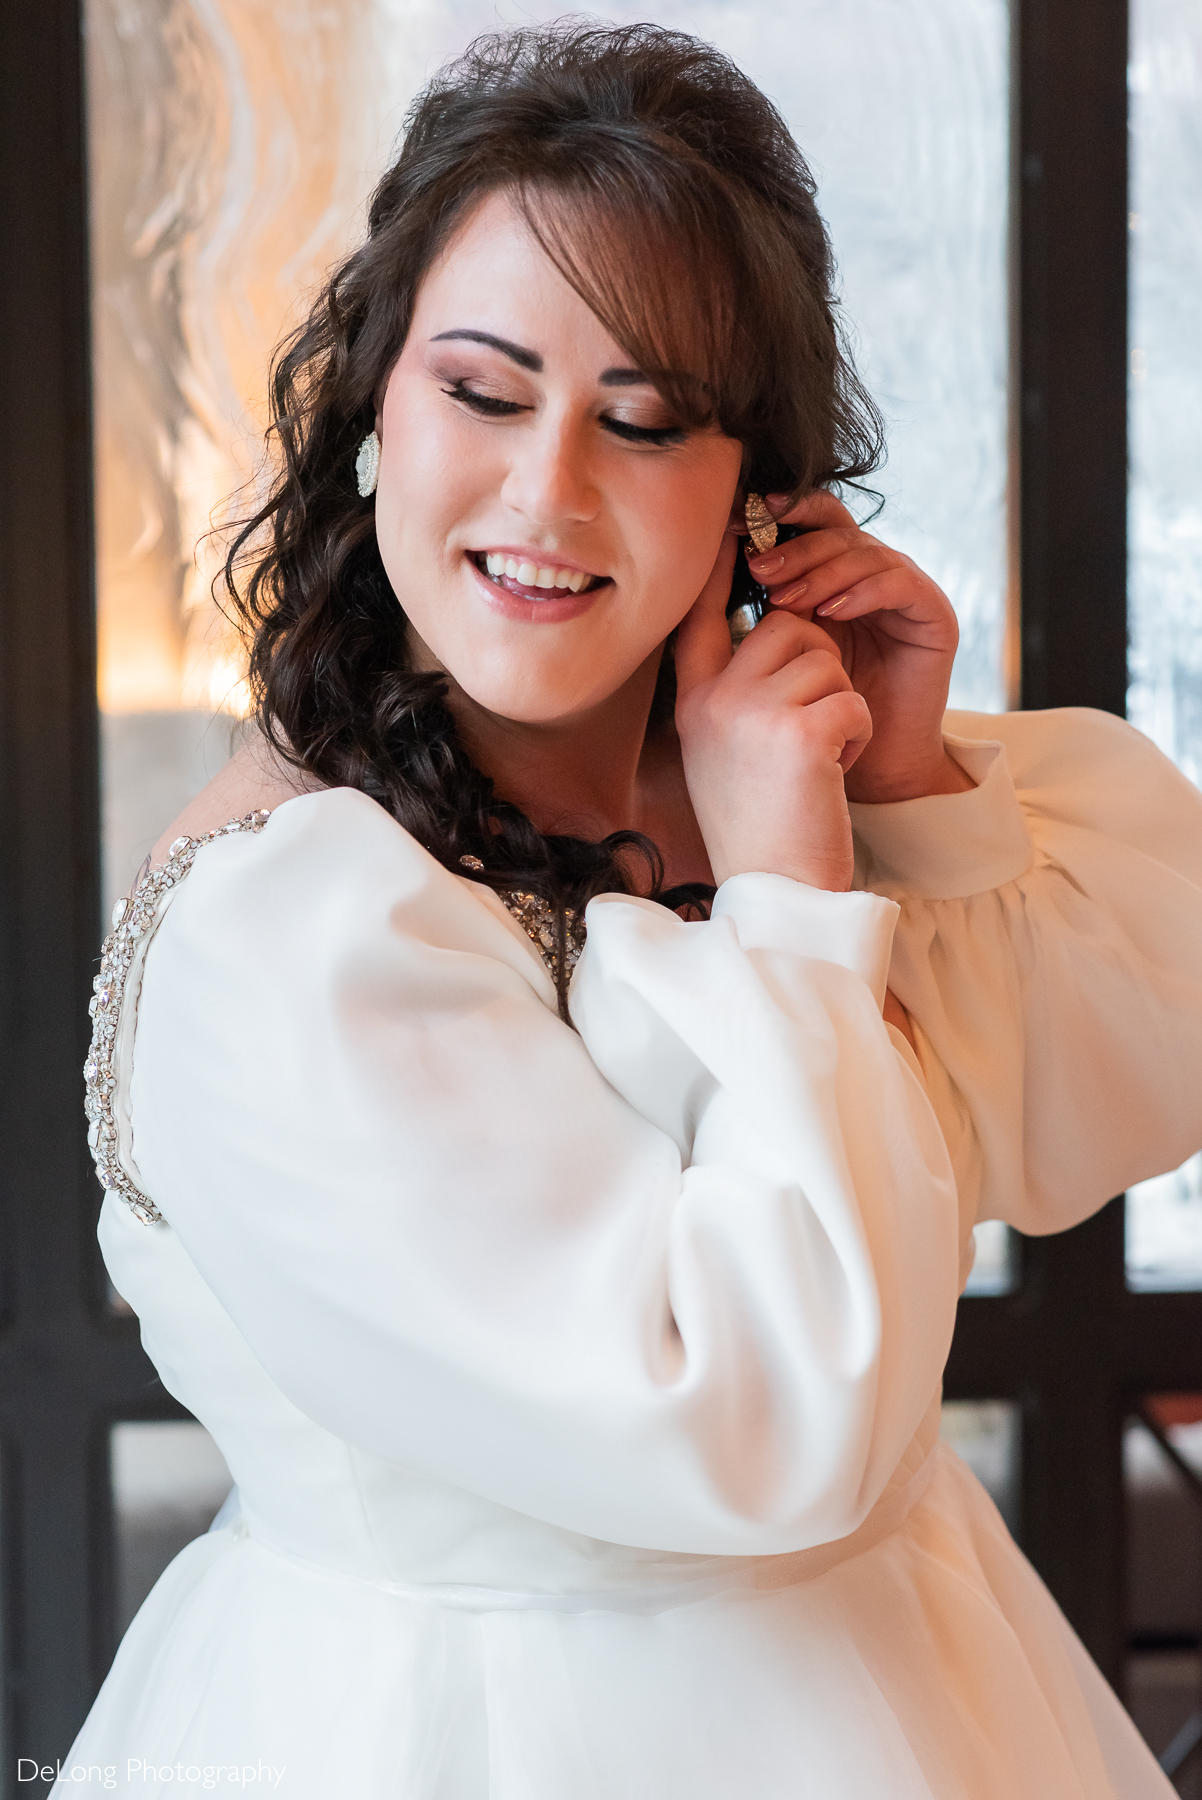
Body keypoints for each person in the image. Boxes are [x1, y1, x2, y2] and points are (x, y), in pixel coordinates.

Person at [63, 21, 1202, 1798]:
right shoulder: (294, 929)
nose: (545, 493)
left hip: (921, 1689)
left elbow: (1096, 1097)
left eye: (644, 419)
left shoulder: (757, 780)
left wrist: (889, 787)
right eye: (482, 390)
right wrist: (788, 903)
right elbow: (754, 1427)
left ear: (754, 488)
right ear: (373, 408)